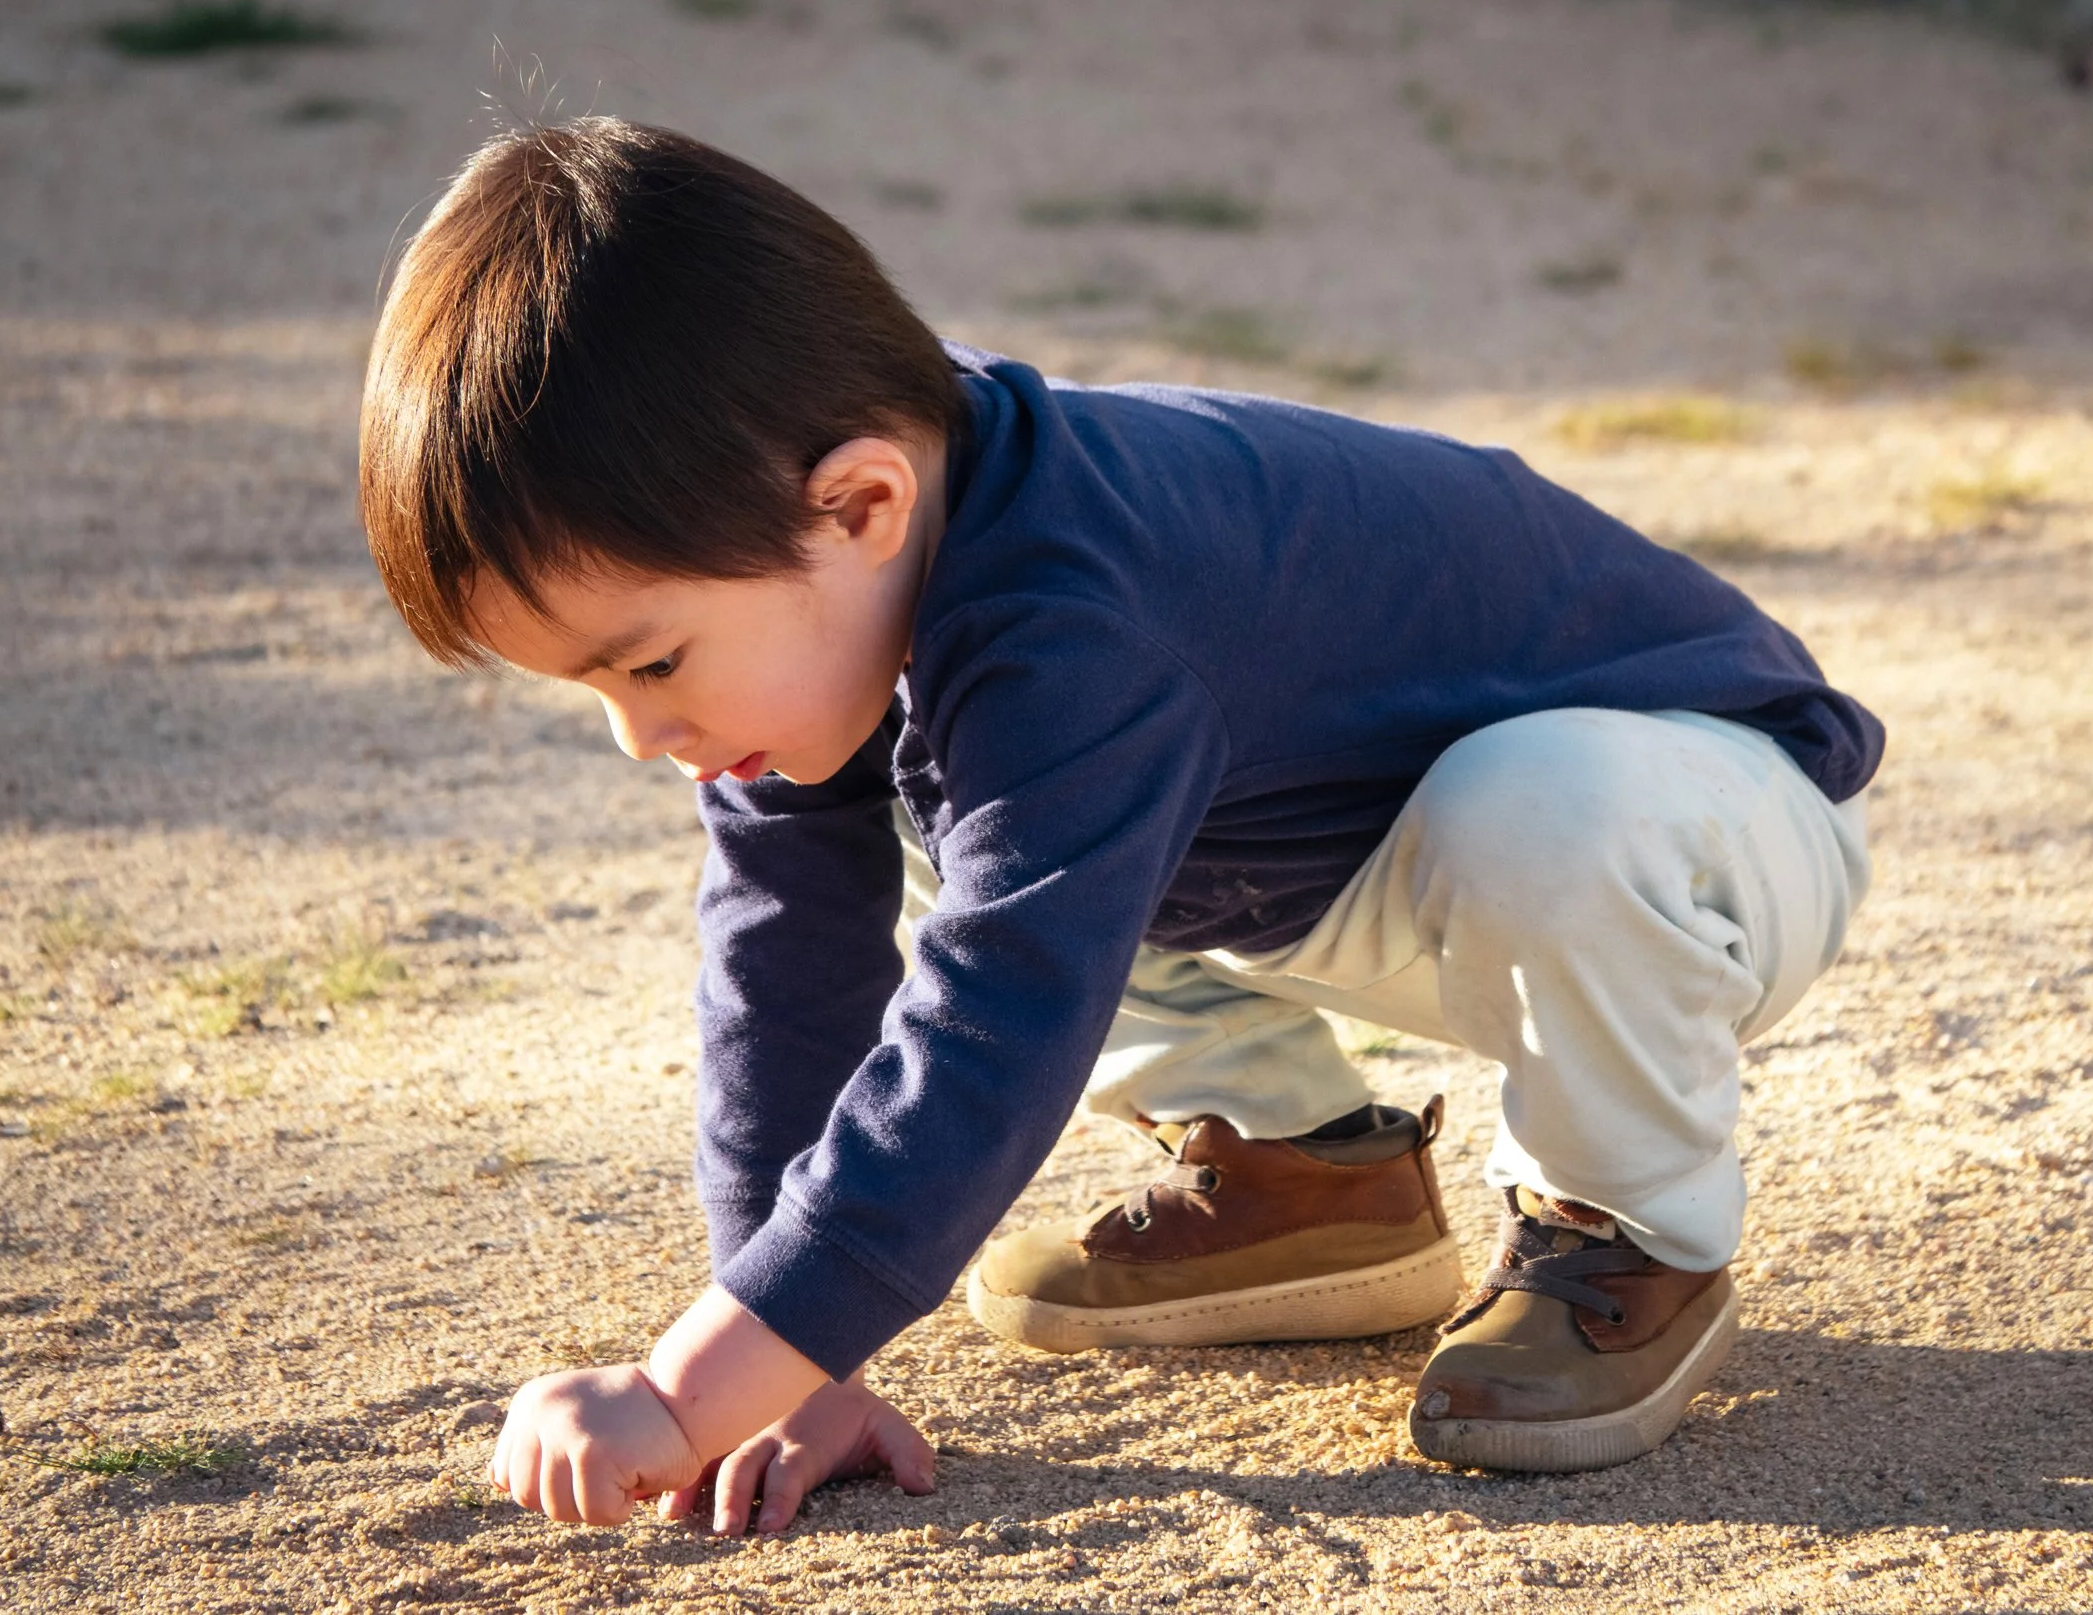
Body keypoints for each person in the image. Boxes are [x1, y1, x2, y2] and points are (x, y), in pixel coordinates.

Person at [357, 117, 1880, 1532]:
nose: (644, 737)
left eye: (651, 661)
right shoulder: (856, 550)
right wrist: (785, 1355)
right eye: (593, 690)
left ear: (860, 503)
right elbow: (786, 968)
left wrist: (688, 1392)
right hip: (1360, 865)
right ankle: (1314, 1179)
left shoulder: (1078, 609)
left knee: (1485, 818)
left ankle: (1629, 1228)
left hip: (1710, 814)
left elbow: (993, 1027)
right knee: (987, 826)